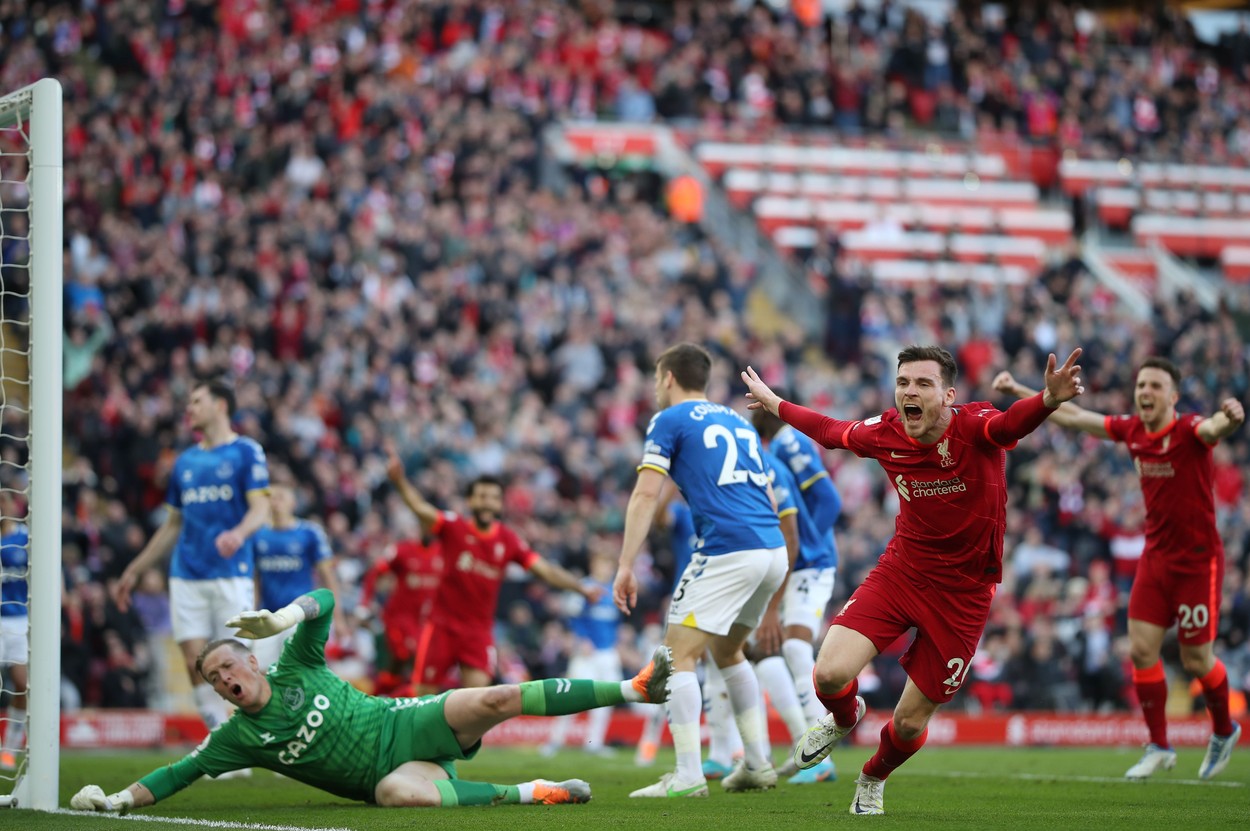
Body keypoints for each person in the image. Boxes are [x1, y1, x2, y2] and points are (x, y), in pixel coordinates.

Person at [740, 344, 1085, 816]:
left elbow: (1010, 424)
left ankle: (872, 777)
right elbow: (831, 432)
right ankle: (843, 717)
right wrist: (776, 403)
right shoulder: (887, 432)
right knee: (828, 674)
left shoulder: (973, 426)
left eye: (923, 383)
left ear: (948, 394)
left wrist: (1047, 399)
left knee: (907, 723)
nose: (909, 392)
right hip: (903, 570)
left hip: (964, 594)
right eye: (903, 383)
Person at [67, 588, 673, 812]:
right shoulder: (236, 738)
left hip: (405, 723)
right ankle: (536, 791)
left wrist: (281, 617)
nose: (225, 680)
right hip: (393, 773)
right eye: (214, 679)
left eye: (228, 666)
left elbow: (326, 599)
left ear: (251, 660)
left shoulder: (297, 660)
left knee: (502, 695)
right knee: (394, 796)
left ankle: (634, 688)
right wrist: (119, 799)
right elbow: (180, 773)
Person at [994, 356, 1245, 780]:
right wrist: (1022, 390)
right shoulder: (1132, 430)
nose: (1145, 392)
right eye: (1142, 384)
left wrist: (1230, 418)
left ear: (1174, 396)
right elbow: (1074, 417)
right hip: (1156, 560)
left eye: (1155, 386)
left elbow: (1214, 428)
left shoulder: (1189, 431)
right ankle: (1159, 746)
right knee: (1141, 651)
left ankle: (1224, 729)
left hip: (1198, 564)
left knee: (1197, 660)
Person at [615, 342, 789, 798]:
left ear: (668, 377)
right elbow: (769, 498)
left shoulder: (668, 420)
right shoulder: (737, 421)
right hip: (770, 549)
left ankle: (688, 775)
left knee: (677, 656)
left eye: (657, 379)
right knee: (729, 652)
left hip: (729, 549)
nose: (656, 387)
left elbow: (646, 495)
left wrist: (625, 565)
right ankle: (756, 763)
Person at [112, 379, 271, 734]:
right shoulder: (185, 462)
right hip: (186, 574)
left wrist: (239, 533)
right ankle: (218, 739)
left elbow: (261, 507)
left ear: (220, 406)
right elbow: (172, 525)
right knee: (194, 661)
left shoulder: (246, 452)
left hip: (231, 572)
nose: (189, 408)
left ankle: (256, 736)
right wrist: (136, 569)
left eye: (197, 401)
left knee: (237, 663)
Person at [385, 444, 600, 693]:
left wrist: (580, 587)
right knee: (420, 699)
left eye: (493, 498)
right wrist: (399, 481)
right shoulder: (454, 527)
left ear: (500, 504)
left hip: (478, 632)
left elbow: (545, 570)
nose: (488, 503)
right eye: (482, 496)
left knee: (478, 700)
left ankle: (462, 733)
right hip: (441, 626)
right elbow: (421, 509)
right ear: (471, 500)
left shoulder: (507, 540)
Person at [753, 403, 843, 785]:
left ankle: (819, 755)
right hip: (793, 563)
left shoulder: (790, 442)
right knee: (767, 651)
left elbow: (830, 501)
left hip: (807, 563)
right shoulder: (776, 450)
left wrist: (808, 548)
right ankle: (805, 748)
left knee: (791, 648)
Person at [251, 483, 349, 670]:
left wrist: (339, 619)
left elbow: (328, 578)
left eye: (280, 496)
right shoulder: (257, 536)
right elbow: (255, 580)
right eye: (271, 497)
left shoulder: (309, 533)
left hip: (299, 616)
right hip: (268, 616)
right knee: (262, 674)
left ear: (293, 503)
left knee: (298, 672)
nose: (275, 501)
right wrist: (252, 613)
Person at [541, 552, 623, 757]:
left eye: (608, 565)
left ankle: (594, 743)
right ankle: (555, 741)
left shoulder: (614, 589)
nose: (605, 569)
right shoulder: (584, 587)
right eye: (601, 564)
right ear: (593, 565)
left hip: (607, 652)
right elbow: (572, 616)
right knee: (572, 697)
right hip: (586, 652)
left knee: (607, 699)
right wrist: (580, 639)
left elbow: (615, 621)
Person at [0, 492, 28, 770]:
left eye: (3, 502)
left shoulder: (24, 537)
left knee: (22, 682)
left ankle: (9, 748)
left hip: (19, 619)